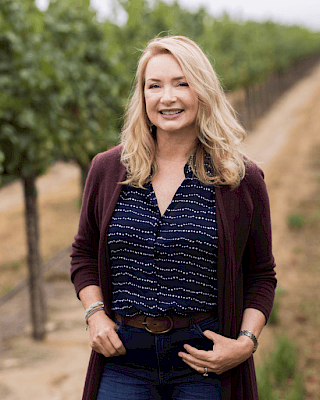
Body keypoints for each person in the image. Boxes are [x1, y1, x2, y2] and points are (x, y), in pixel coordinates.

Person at [70, 35, 276, 400]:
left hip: (203, 364)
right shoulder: (107, 169)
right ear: (143, 96)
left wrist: (245, 344)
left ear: (204, 92)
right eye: (155, 86)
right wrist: (96, 314)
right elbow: (84, 253)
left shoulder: (241, 179)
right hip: (124, 361)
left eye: (182, 83)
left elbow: (260, 274)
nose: (168, 97)